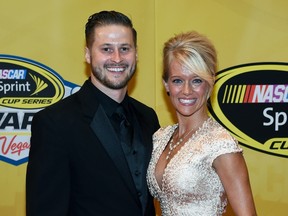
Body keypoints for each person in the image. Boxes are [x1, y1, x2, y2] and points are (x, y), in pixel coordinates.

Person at [26, 10, 160, 216]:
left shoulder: (148, 118)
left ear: (136, 53)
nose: (117, 58)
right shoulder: (55, 123)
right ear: (88, 54)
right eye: (106, 49)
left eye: (125, 48)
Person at [146, 31, 257, 215]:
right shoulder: (160, 138)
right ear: (166, 84)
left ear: (210, 83)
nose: (187, 91)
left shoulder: (220, 144)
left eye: (196, 80)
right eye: (177, 81)